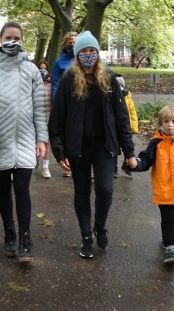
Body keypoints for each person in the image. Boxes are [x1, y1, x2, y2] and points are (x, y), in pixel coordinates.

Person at [49, 31, 137, 259]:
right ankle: (86, 236)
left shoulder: (109, 79)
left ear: (97, 53)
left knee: (105, 190)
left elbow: (121, 118)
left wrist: (129, 152)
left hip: (104, 146)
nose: (88, 55)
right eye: (84, 51)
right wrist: (59, 152)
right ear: (77, 55)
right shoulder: (69, 80)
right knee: (82, 192)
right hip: (77, 147)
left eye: (92, 51)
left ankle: (100, 225)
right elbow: (57, 119)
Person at [0, 22, 48, 265]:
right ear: (0, 39)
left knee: (22, 189)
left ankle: (26, 237)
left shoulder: (31, 71)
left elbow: (40, 108)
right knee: (4, 189)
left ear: (22, 40)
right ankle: (9, 232)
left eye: (16, 37)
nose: (12, 41)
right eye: (8, 37)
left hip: (26, 140)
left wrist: (41, 139)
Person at [123, 105, 174, 265]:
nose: (170, 125)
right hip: (164, 189)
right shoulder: (156, 143)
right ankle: (170, 248)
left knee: (173, 217)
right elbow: (146, 160)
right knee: (167, 219)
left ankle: (167, 236)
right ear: (161, 123)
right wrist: (136, 164)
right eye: (166, 121)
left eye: (173, 121)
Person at [51, 31, 77, 176]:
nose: (72, 46)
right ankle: (67, 165)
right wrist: (56, 101)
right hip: (65, 101)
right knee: (66, 134)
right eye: (69, 43)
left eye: (75, 43)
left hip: (82, 100)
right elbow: (55, 82)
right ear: (65, 44)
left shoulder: (81, 59)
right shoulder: (59, 62)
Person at [115, 75, 139, 178]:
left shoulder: (128, 98)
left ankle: (127, 166)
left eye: (121, 86)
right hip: (115, 127)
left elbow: (133, 113)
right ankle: (113, 169)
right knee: (114, 149)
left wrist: (134, 127)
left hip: (127, 128)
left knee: (128, 147)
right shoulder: (112, 97)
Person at [37, 60, 53, 179]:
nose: (43, 71)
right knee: (35, 142)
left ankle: (45, 167)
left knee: (47, 142)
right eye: (40, 68)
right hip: (36, 117)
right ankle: (35, 158)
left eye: (45, 68)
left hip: (48, 117)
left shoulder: (52, 84)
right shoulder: (33, 84)